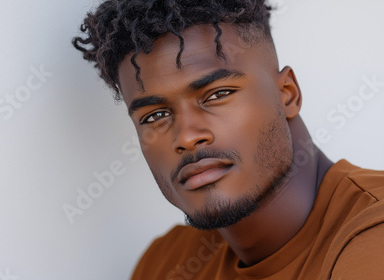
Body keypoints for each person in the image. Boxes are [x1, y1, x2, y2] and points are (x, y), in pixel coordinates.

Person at [72, 0, 384, 279]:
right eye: (155, 116)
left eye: (217, 94)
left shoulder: (373, 239)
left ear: (287, 94)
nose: (187, 137)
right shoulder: (166, 263)